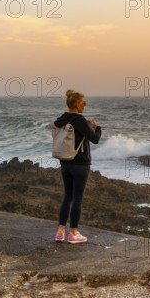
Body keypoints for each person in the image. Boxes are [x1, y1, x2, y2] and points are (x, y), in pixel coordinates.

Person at [53, 89, 102, 244]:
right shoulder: (79, 120)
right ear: (76, 104)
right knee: (77, 198)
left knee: (67, 196)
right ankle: (73, 233)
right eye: (83, 102)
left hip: (65, 162)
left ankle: (60, 232)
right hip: (80, 164)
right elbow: (94, 139)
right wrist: (97, 128)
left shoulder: (62, 119)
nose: (85, 105)